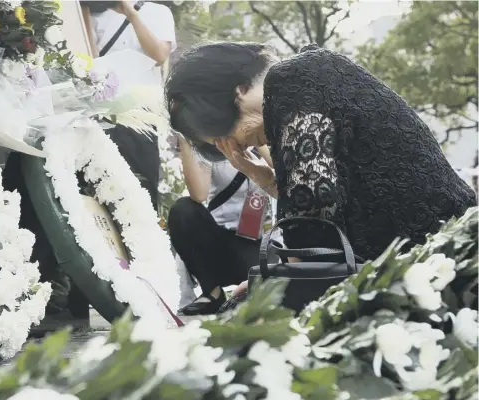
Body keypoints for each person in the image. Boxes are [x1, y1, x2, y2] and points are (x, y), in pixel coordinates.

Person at [165, 42, 477, 269]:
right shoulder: (307, 73)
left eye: (225, 135)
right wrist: (266, 179)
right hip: (447, 244)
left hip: (446, 256)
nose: (237, 146)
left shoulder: (288, 83)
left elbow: (314, 210)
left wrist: (285, 278)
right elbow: (330, 195)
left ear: (239, 91)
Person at [169, 135, 281, 315]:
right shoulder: (211, 145)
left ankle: (247, 293)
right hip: (222, 241)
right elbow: (198, 194)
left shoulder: (260, 134)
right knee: (183, 210)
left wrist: (257, 140)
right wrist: (187, 138)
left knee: (260, 292)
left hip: (260, 244)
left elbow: (284, 168)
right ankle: (212, 293)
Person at [81, 0, 176, 209]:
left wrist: (130, 14)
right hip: (100, 111)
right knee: (94, 183)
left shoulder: (158, 12)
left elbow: (159, 54)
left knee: (139, 188)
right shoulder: (96, 13)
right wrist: (84, 12)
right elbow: (90, 60)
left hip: (139, 115)